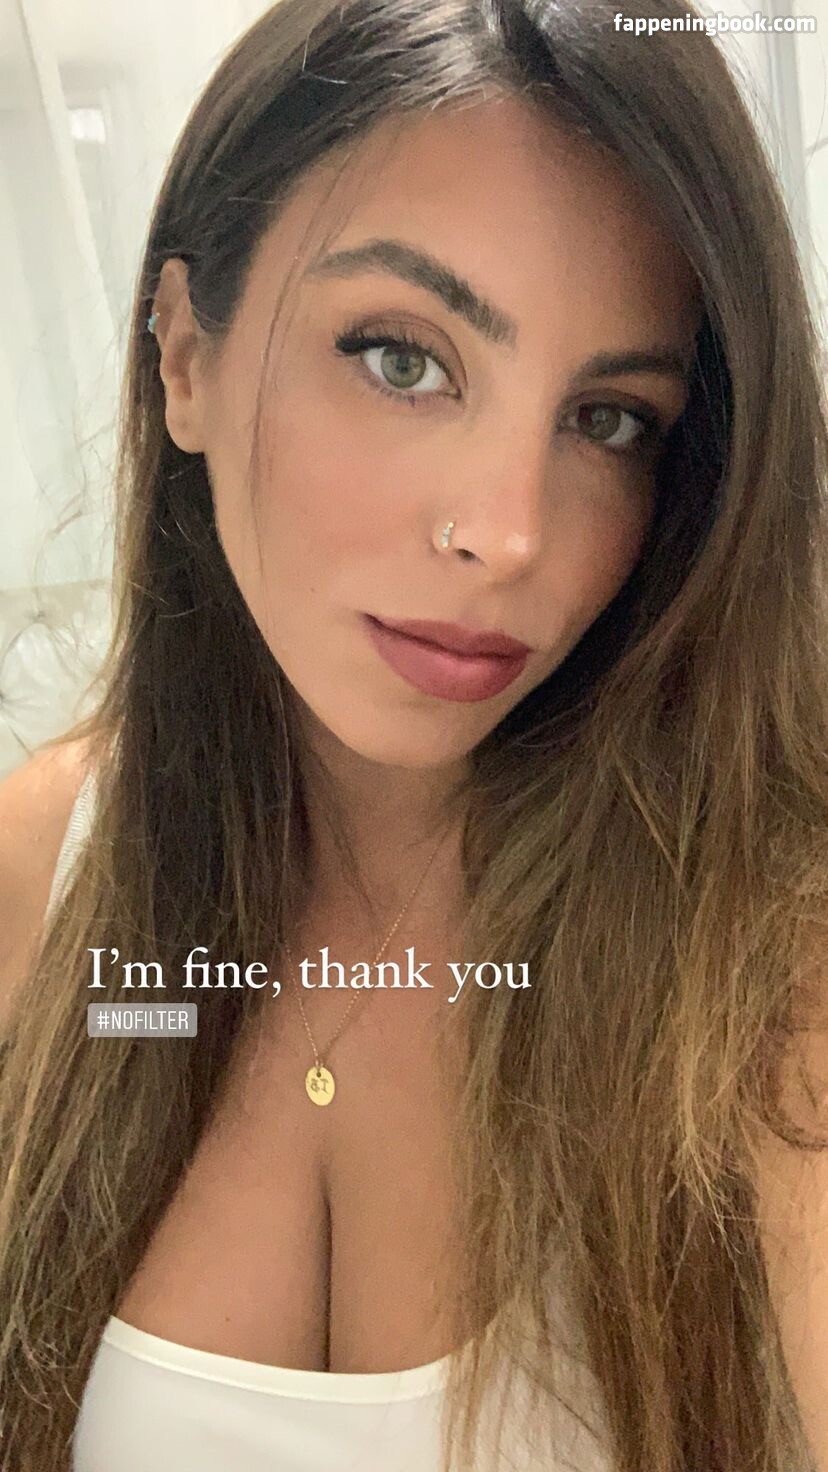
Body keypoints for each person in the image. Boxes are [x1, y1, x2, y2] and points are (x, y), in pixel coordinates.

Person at [1, 0, 827, 1467]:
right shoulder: (48, 873)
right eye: (402, 357)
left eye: (610, 419)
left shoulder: (767, 970)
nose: (509, 534)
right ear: (184, 356)